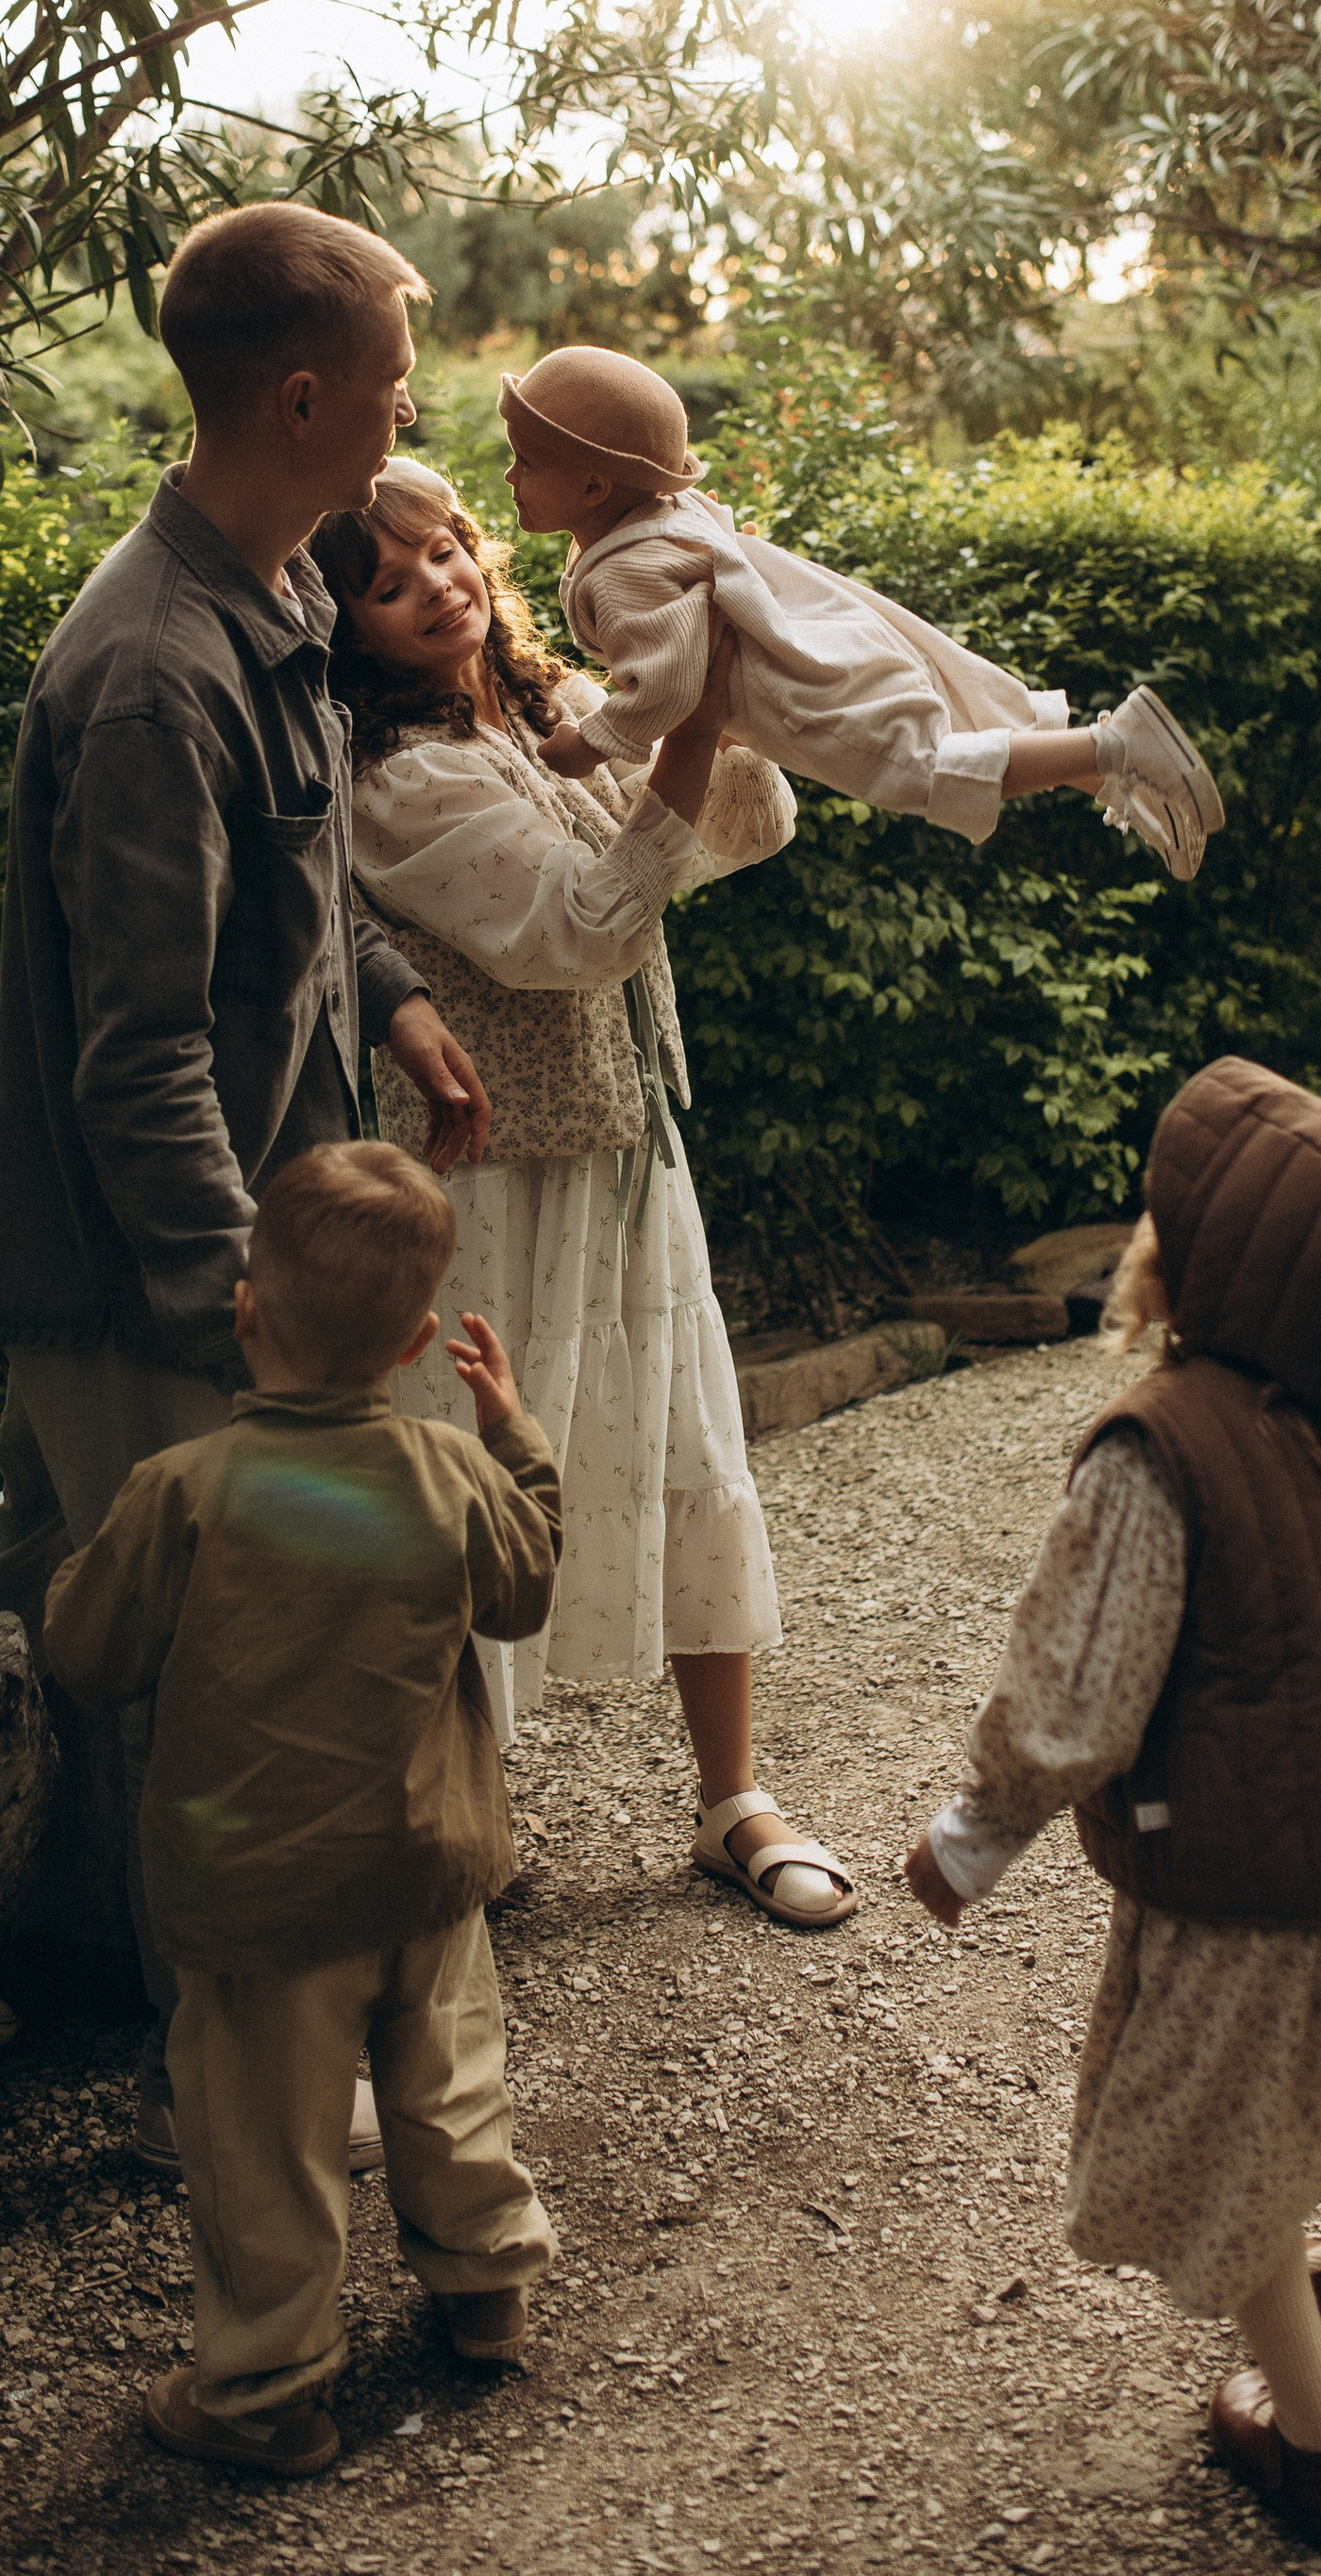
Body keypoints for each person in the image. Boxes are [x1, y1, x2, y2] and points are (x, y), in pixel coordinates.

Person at [0, 203, 492, 2169]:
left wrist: (399, 1006)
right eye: (398, 382)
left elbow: (305, 902)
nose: (416, 413)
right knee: (195, 1669)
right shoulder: (157, 670)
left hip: (216, 1247)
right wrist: (240, 1325)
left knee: (9, 1596)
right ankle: (229, 2079)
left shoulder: (276, 600)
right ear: (309, 395)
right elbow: (142, 1051)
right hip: (148, 1274)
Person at [903, 1055, 1321, 2552]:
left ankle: (1315, 2442)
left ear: (1196, 1266)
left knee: (1227, 2140)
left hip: (1257, 1900)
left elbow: (1077, 1695)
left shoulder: (1160, 1449)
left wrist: (974, 1834)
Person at [316, 456, 857, 1934]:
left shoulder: (548, 709)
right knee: (477, 1481)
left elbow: (752, 829)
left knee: (687, 1443)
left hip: (627, 1140)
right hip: (490, 1179)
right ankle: (451, 1833)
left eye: (445, 551)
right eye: (388, 579)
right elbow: (582, 930)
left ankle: (732, 1799)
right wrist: (680, 718)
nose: (438, 584)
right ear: (345, 625)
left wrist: (697, 688)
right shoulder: (396, 780)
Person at [42, 1140, 561, 2480]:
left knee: (264, 2149)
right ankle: (486, 2285)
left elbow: (89, 1656)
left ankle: (265, 2388)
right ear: (413, 1348)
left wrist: (64, 1577)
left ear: (246, 1312)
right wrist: (515, 1436)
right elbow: (527, 1585)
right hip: (428, 1871)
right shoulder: (452, 1477)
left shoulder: (184, 1493)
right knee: (450, 2089)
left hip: (260, 1901)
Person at [498, 344, 1222, 873]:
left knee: (924, 770)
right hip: (828, 630)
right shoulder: (664, 511)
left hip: (802, 689)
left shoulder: (622, 573)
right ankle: (1103, 771)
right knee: (959, 702)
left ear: (595, 489)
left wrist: (589, 742)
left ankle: (1117, 746)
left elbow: (670, 685)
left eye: (526, 462)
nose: (510, 475)